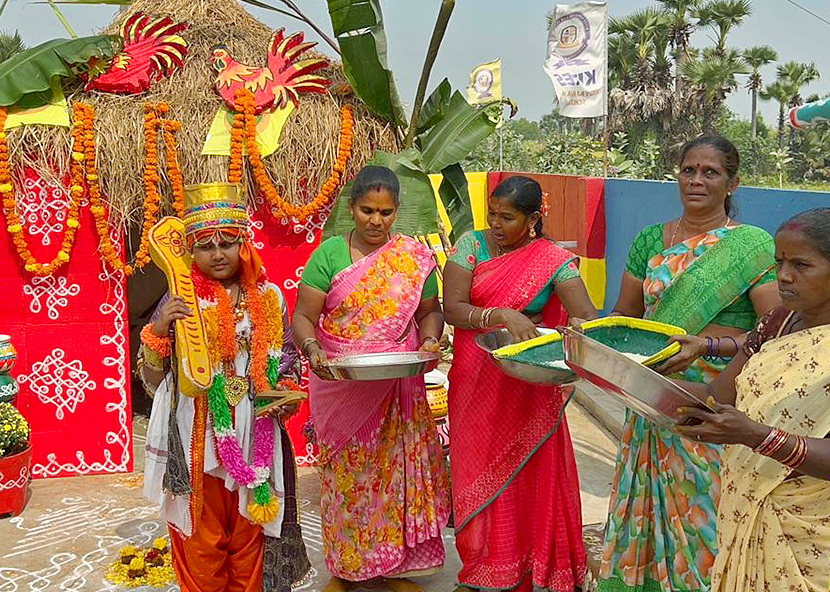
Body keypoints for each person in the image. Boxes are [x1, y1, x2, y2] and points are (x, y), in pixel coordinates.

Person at [672, 208, 830, 591]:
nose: (783, 276)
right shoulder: (776, 324)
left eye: (801, 265)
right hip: (749, 512)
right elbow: (716, 396)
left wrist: (755, 436)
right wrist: (629, 374)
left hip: (821, 541)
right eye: (779, 262)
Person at [592, 134, 782, 592]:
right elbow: (626, 315)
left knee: (705, 515)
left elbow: (773, 329)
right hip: (650, 399)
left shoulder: (751, 247)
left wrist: (708, 345)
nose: (697, 180)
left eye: (710, 172)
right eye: (688, 170)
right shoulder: (649, 241)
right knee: (650, 508)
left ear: (732, 183)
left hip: (712, 402)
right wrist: (588, 335)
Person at [139, 182, 311, 592]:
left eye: (228, 242)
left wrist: (284, 391)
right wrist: (159, 329)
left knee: (252, 535)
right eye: (205, 245)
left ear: (244, 245)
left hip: (256, 435)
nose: (218, 254)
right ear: (190, 252)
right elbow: (151, 381)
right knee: (201, 542)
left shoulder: (269, 297)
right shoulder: (178, 299)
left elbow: (286, 359)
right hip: (196, 433)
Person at [292, 166, 450, 592]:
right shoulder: (329, 255)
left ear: (397, 211)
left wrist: (432, 338)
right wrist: (313, 351)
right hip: (340, 384)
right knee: (347, 480)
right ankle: (346, 571)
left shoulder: (412, 258)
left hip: (399, 386)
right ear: (352, 209)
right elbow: (304, 317)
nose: (375, 221)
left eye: (384, 212)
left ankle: (395, 568)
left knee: (397, 475)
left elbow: (429, 312)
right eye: (367, 211)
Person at [443, 174, 599, 592]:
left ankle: (530, 566)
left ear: (532, 220)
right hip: (476, 378)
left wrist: (584, 328)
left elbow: (585, 314)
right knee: (474, 470)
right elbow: (453, 309)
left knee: (530, 472)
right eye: (492, 213)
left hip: (528, 382)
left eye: (507, 217)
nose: (495, 223)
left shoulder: (551, 259)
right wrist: (501, 315)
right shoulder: (470, 246)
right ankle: (481, 568)